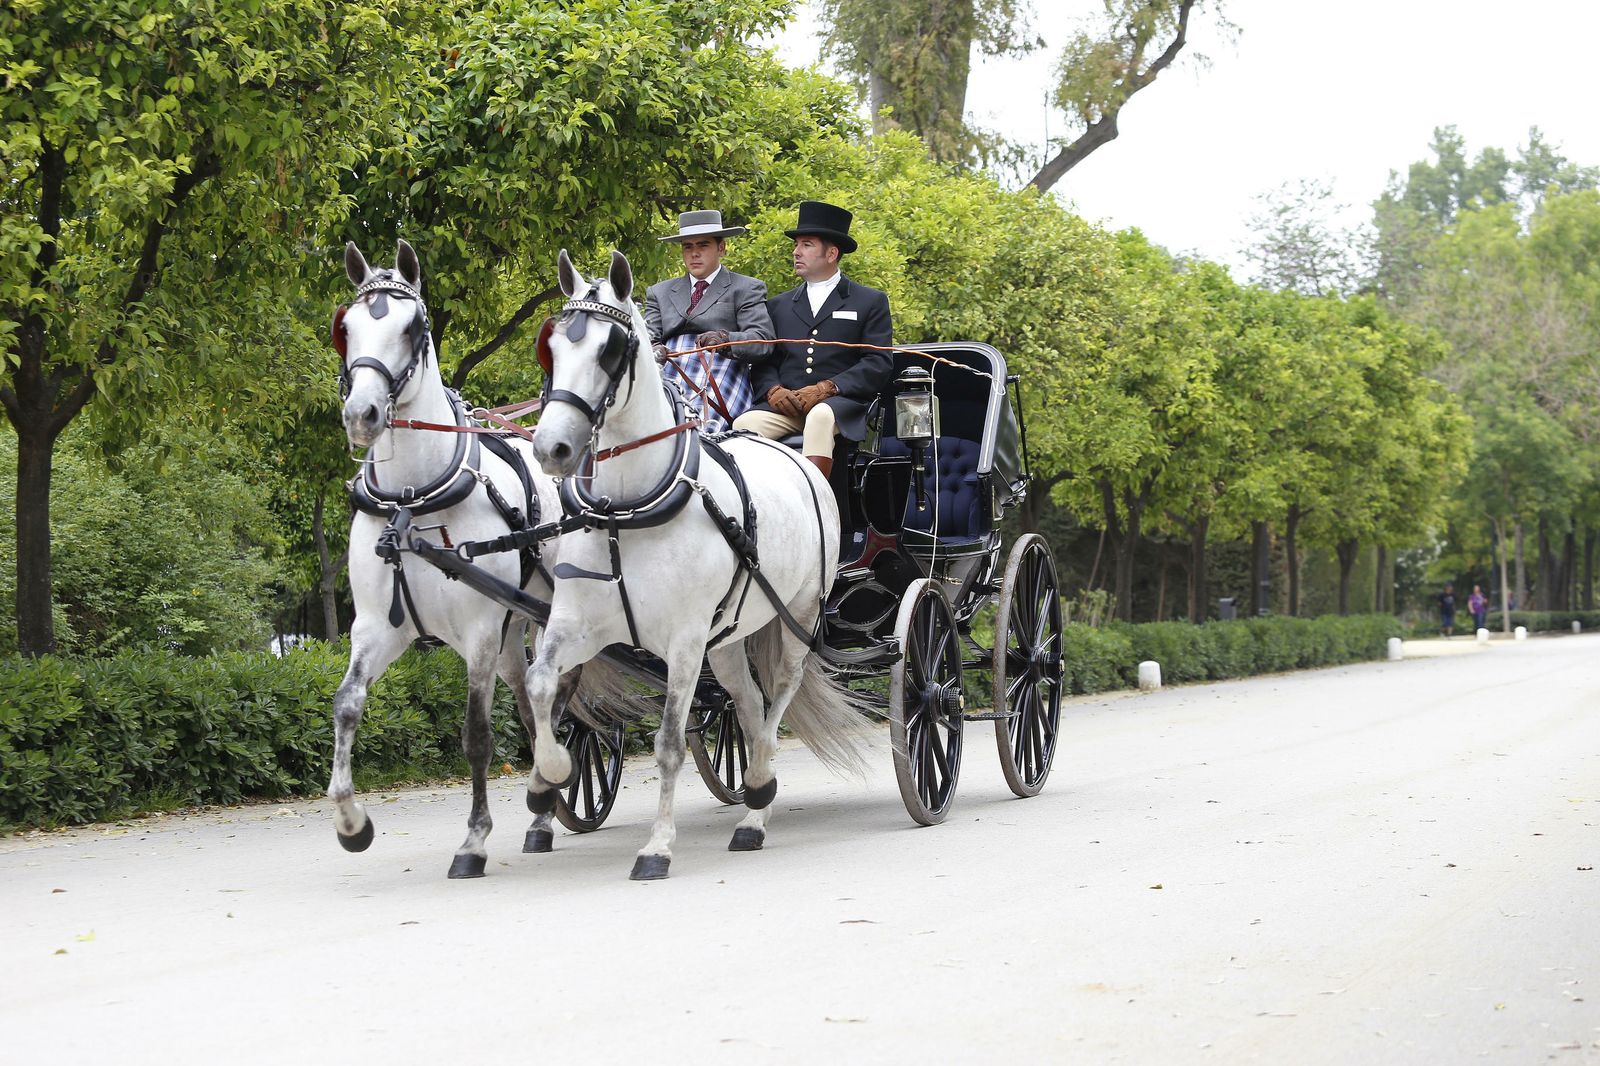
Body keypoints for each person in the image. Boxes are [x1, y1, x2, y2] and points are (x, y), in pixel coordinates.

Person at [733, 201, 893, 478]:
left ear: (831, 253)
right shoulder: (779, 305)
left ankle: (817, 499)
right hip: (788, 405)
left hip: (843, 405)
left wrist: (827, 388)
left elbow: (877, 362)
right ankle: (761, 499)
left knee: (820, 416)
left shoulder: (869, 301)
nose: (796, 252)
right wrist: (773, 391)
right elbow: (765, 360)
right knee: (744, 425)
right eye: (796, 245)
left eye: (806, 245)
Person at [643, 209, 774, 432]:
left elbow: (762, 340)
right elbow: (646, 337)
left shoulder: (746, 287)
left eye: (703, 245)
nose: (694, 253)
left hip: (721, 368)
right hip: (668, 368)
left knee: (699, 432)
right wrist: (654, 349)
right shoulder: (659, 292)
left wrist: (725, 339)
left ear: (721, 248)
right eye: (688, 247)